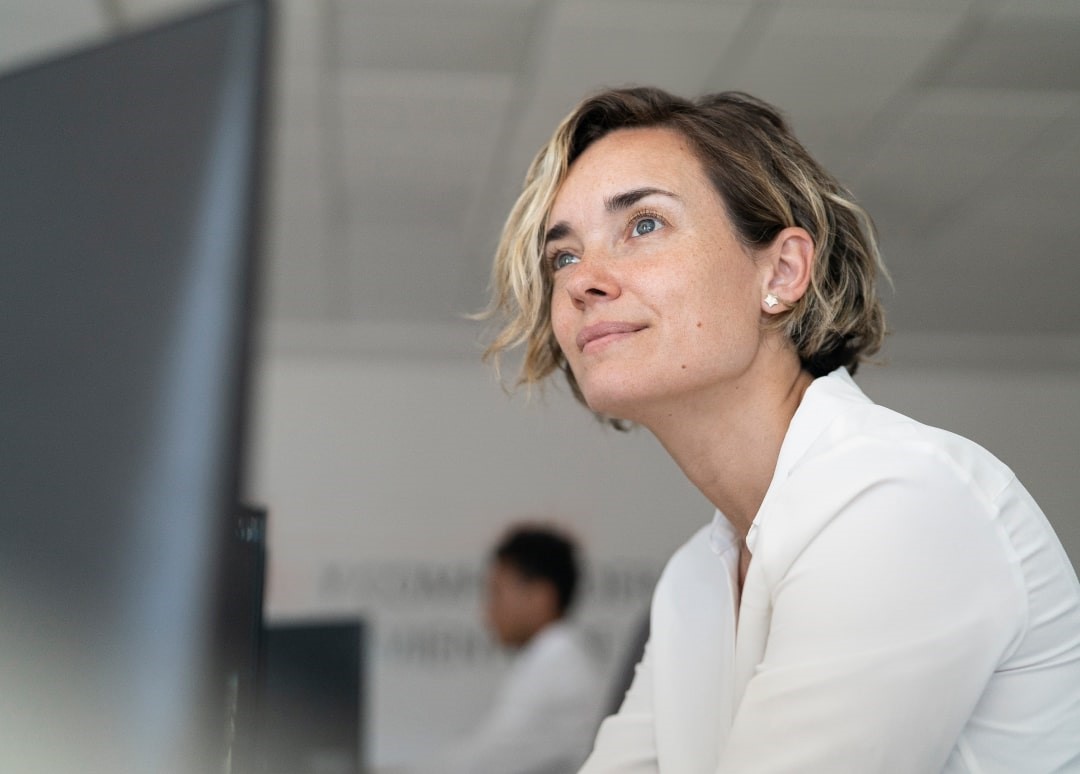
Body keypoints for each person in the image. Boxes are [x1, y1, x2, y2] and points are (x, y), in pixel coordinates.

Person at [480, 86, 1080, 772]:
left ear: (784, 270)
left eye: (644, 224)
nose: (584, 279)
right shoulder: (694, 583)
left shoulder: (897, 498)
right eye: (563, 256)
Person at [416, 524, 603, 774]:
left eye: (496, 593)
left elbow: (482, 763)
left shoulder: (556, 668)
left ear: (540, 596)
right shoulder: (556, 658)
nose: (487, 612)